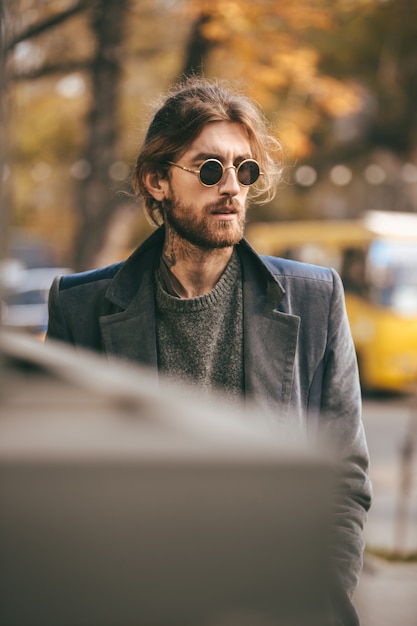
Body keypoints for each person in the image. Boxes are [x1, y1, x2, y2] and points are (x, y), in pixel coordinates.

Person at [47, 76, 371, 624]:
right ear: (156, 181)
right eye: (210, 168)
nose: (232, 188)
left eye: (244, 170)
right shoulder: (80, 308)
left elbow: (344, 480)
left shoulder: (315, 299)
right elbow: (60, 493)